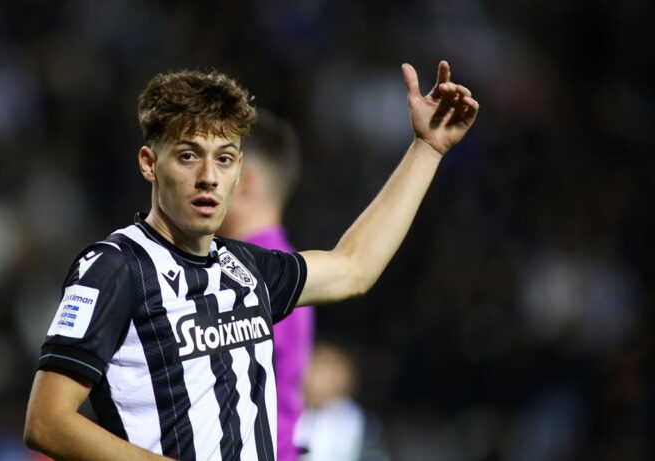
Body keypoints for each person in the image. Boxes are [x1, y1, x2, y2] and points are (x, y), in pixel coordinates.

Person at [24, 61, 479, 461]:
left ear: (240, 170)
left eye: (224, 159)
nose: (208, 177)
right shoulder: (115, 267)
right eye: (188, 156)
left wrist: (427, 149)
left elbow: (354, 267)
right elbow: (46, 422)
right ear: (149, 162)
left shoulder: (246, 268)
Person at [218, 110, 314, 461]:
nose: (203, 178)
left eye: (221, 163)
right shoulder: (289, 266)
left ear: (245, 183)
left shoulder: (252, 276)